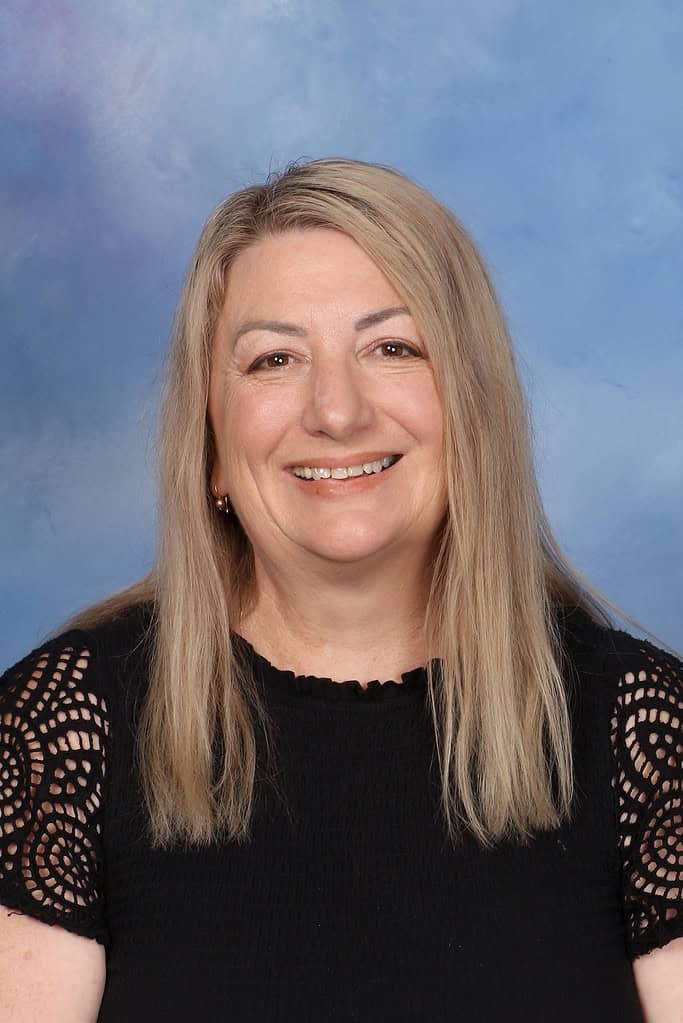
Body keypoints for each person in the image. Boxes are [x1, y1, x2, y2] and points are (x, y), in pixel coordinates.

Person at [0, 157, 681, 1022]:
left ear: (472, 409)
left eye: (392, 347)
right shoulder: (61, 731)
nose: (335, 409)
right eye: (273, 359)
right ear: (211, 444)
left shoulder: (643, 729)